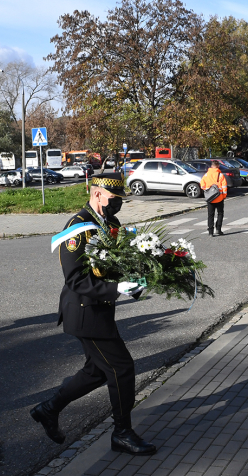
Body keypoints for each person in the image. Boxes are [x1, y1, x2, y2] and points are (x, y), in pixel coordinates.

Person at [31, 173, 155, 455]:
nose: (118, 205)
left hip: (101, 310)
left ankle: (48, 409)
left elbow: (115, 265)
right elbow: (74, 279)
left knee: (97, 371)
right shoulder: (77, 228)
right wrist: (116, 288)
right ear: (97, 194)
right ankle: (122, 433)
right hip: (85, 313)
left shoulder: (110, 223)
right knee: (122, 368)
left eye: (121, 200)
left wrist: (134, 282)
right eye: (114, 199)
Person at [200, 161, 228, 237]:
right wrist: (224, 196)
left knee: (210, 215)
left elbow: (202, 185)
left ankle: (210, 232)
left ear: (211, 166)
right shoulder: (221, 175)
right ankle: (218, 229)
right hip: (219, 197)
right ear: (218, 166)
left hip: (210, 198)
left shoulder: (206, 175)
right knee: (220, 213)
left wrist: (208, 190)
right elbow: (224, 187)